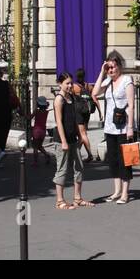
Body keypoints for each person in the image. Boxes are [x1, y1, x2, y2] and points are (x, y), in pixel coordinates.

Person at [93, 50, 135, 204]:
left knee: (125, 161)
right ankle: (117, 191)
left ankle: (125, 193)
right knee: (113, 160)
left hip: (123, 127)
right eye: (108, 68)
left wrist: (130, 127)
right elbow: (95, 93)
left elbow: (131, 105)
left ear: (119, 66)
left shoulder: (126, 80)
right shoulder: (107, 81)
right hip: (110, 127)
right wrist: (101, 72)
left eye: (113, 67)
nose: (111, 70)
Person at [53, 73, 92, 209]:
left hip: (73, 138)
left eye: (71, 83)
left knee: (79, 167)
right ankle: (60, 201)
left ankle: (77, 198)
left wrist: (80, 135)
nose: (70, 85)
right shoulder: (59, 99)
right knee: (62, 169)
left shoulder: (71, 98)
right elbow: (59, 122)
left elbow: (74, 119)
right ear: (60, 84)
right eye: (67, 83)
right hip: (62, 140)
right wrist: (63, 141)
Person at [74, 68, 97, 161]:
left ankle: (88, 154)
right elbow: (94, 97)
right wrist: (99, 111)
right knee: (83, 133)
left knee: (82, 134)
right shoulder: (89, 86)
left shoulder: (74, 87)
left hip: (79, 112)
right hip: (87, 112)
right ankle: (77, 153)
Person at [30, 96, 50, 166]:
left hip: (36, 130)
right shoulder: (46, 112)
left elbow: (29, 117)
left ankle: (35, 162)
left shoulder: (36, 111)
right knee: (39, 146)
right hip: (43, 130)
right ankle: (46, 155)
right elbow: (47, 105)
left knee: (35, 147)